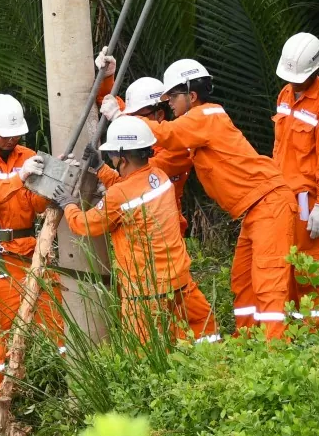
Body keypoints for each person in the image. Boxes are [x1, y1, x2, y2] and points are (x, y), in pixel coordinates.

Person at [101, 59, 296, 340]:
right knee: (243, 280)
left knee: (269, 283)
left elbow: (164, 133)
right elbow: (144, 166)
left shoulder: (206, 117)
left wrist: (121, 119)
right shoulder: (191, 133)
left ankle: (277, 353)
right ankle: (250, 345)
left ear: (191, 96)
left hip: (269, 204)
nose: (168, 105)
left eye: (172, 98)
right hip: (256, 209)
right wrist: (108, 83)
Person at [54, 116, 217, 343]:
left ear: (122, 157)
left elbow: (85, 224)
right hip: (180, 282)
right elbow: (130, 187)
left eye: (111, 156)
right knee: (203, 335)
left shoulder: (120, 195)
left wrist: (68, 204)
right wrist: (100, 168)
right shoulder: (159, 176)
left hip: (145, 293)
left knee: (144, 354)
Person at [0, 94, 65, 422]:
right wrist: (19, 178)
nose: (12, 139)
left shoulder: (29, 156)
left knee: (53, 319)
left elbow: (34, 204)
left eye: (16, 134)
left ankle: (60, 388)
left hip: (29, 250)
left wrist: (50, 182)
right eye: (5, 134)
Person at [272, 33, 319, 317]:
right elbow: (279, 147)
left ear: (315, 70)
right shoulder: (285, 95)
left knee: (314, 267)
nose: (294, 81)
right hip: (282, 197)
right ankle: (292, 329)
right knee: (285, 266)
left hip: (306, 202)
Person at [92, 51, 192, 234]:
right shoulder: (133, 118)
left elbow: (137, 174)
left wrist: (101, 170)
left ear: (159, 114)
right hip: (133, 226)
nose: (130, 121)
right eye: (130, 116)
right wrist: (107, 75)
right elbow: (106, 99)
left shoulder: (178, 148)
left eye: (135, 117)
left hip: (165, 227)